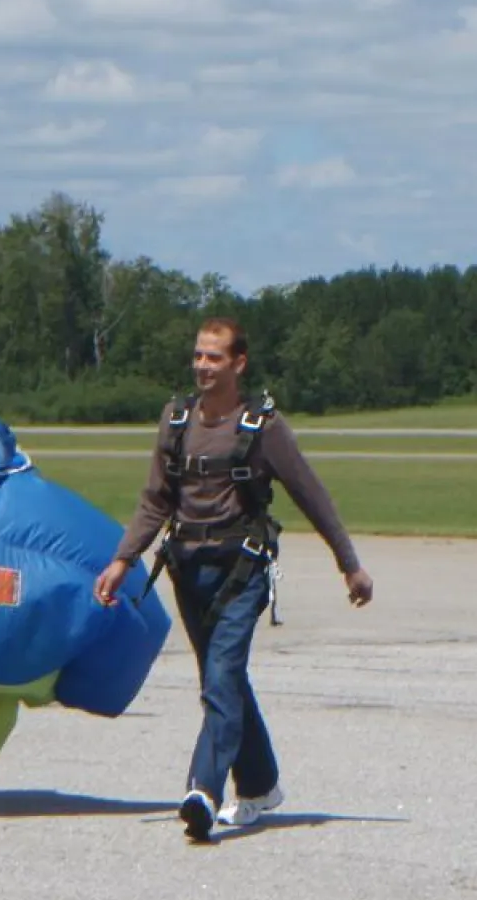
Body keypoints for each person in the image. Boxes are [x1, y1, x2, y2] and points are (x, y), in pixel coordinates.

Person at [94, 317, 374, 843]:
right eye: (198, 355)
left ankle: (202, 791)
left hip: (241, 570)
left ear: (238, 363)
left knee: (221, 677)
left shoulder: (263, 426)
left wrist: (349, 564)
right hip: (186, 568)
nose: (202, 365)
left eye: (214, 357)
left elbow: (312, 496)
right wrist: (122, 559)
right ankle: (262, 785)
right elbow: (156, 499)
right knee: (223, 682)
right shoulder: (175, 420)